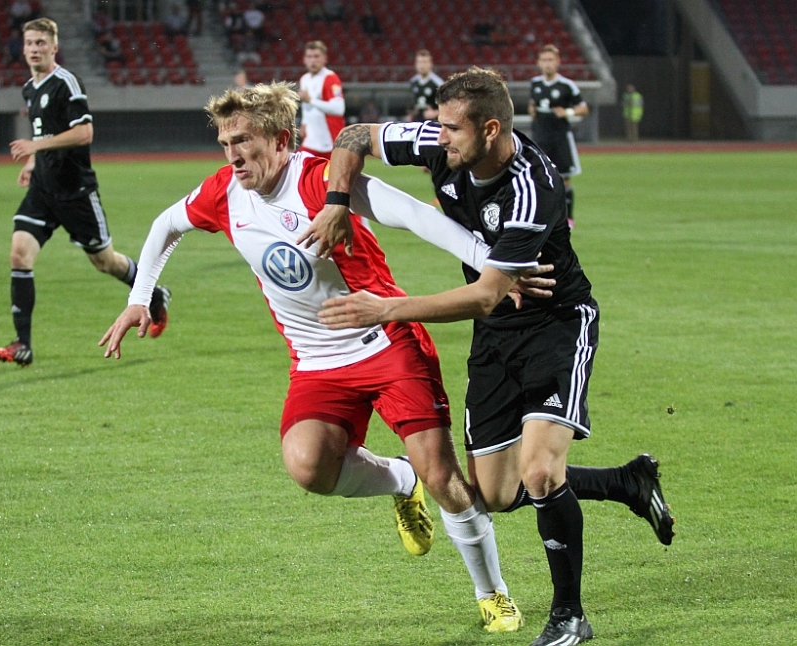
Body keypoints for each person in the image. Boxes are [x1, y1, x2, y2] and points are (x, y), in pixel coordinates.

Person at [99, 82, 554, 634]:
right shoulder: (224, 192)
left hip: (385, 342)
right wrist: (139, 297)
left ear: (280, 139)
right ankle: (399, 479)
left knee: (443, 475)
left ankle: (492, 594)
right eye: (224, 143)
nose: (232, 155)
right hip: (315, 360)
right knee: (307, 466)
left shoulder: (320, 181)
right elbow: (165, 226)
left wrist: (494, 265)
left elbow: (413, 213)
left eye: (243, 141)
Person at [300, 67, 676, 646]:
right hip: (497, 335)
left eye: (452, 128)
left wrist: (385, 309)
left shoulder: (532, 186)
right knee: (497, 494)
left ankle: (569, 617)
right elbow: (352, 137)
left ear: (491, 129)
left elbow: (484, 295)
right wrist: (336, 201)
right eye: (439, 124)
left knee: (540, 471)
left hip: (555, 325)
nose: (439, 137)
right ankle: (627, 482)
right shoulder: (439, 143)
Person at [0, 18, 171, 367]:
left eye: (41, 43)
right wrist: (33, 162)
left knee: (105, 262)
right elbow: (44, 131)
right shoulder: (30, 88)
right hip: (43, 190)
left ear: (54, 47)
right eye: (29, 43)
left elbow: (84, 133)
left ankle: (154, 294)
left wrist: (35, 146)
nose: (34, 49)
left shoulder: (66, 82)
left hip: (75, 192)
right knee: (19, 255)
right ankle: (22, 344)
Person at [528, 44, 587, 229]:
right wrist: (532, 109)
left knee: (564, 179)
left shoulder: (566, 85)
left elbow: (583, 108)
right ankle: (542, 217)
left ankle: (568, 218)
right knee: (539, 179)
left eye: (550, 60)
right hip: (540, 138)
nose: (547, 64)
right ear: (538, 63)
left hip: (560, 138)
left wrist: (567, 112)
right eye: (544, 60)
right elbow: (533, 102)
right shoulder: (535, 84)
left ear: (558, 62)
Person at [297, 40, 344, 159]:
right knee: (298, 167)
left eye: (316, 56)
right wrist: (304, 123)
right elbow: (306, 107)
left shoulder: (330, 78)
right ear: (304, 59)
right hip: (310, 141)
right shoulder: (304, 79)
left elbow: (339, 109)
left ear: (324, 59)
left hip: (329, 142)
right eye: (309, 57)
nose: (313, 61)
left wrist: (311, 100)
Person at [407, 49, 442, 122]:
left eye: (425, 62)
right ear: (415, 64)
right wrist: (411, 114)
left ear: (430, 64)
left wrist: (435, 113)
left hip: (433, 122)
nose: (422, 65)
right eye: (419, 62)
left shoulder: (438, 83)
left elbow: (447, 106)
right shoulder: (413, 82)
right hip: (416, 121)